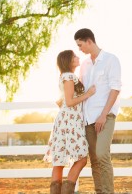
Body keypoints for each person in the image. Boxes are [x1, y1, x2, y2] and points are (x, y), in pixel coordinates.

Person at [74, 28, 121, 194]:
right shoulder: (85, 64)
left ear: (89, 41)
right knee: (94, 159)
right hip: (87, 118)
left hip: (105, 116)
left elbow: (115, 89)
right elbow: (80, 88)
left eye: (80, 45)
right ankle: (99, 191)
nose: (79, 49)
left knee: (101, 154)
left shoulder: (110, 60)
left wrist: (103, 115)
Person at [44, 50, 96, 194]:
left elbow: (63, 100)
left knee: (60, 161)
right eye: (74, 56)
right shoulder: (68, 76)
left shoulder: (67, 76)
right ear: (68, 60)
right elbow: (70, 101)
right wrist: (88, 94)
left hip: (68, 120)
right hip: (69, 121)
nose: (77, 57)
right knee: (81, 159)